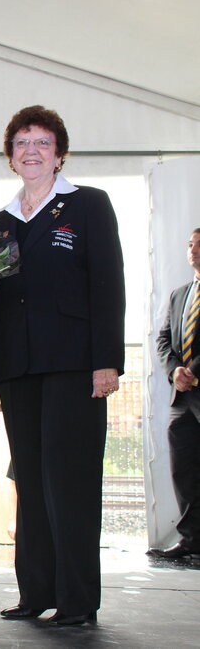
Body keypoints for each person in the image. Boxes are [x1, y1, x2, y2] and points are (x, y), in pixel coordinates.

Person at [0, 105, 125, 626]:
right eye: (22, 143)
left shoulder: (88, 205)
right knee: (31, 481)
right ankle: (35, 592)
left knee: (71, 483)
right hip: (18, 369)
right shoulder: (1, 222)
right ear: (10, 156)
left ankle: (77, 600)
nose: (32, 151)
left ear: (59, 154)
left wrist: (107, 361)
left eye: (43, 142)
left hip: (74, 366)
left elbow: (107, 284)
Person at [150, 227, 200, 559]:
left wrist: (193, 370)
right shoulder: (179, 294)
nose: (193, 250)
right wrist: (174, 371)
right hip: (182, 399)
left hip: (194, 382)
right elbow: (163, 339)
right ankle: (192, 541)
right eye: (191, 244)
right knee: (184, 471)